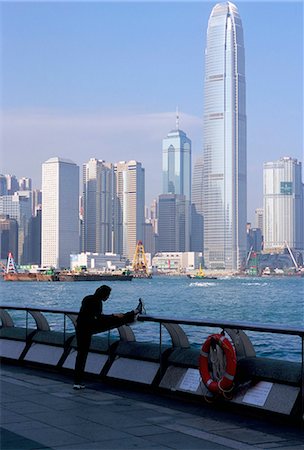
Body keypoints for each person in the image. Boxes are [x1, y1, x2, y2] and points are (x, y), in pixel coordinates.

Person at [73, 285, 144, 390]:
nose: (108, 297)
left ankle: (77, 382)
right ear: (104, 295)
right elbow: (98, 317)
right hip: (91, 326)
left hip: (81, 327)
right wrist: (113, 315)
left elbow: (88, 315)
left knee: (81, 355)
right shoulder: (97, 302)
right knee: (116, 319)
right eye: (108, 295)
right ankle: (134, 314)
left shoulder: (87, 298)